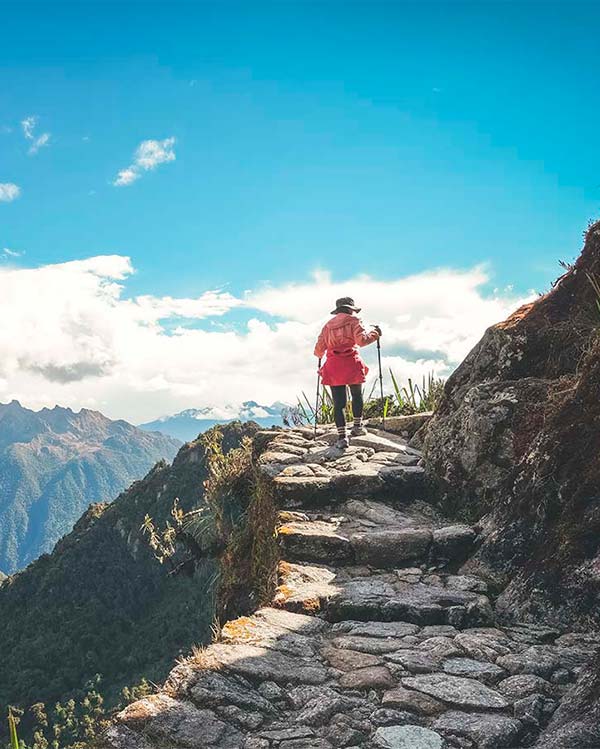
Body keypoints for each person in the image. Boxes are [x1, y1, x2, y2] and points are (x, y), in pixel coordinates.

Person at [314, 296, 381, 448]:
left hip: (333, 365)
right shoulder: (354, 321)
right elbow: (362, 341)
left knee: (339, 403)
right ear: (351, 309)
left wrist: (320, 356)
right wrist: (375, 334)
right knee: (356, 394)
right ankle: (357, 427)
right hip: (351, 363)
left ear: (337, 310)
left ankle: (342, 437)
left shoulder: (327, 326)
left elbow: (319, 348)